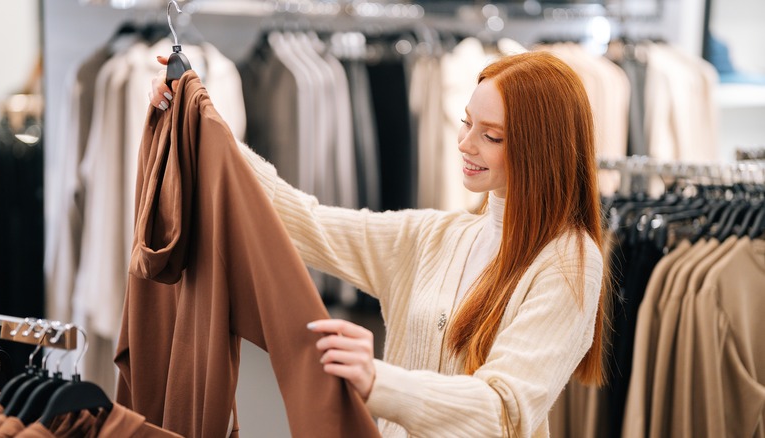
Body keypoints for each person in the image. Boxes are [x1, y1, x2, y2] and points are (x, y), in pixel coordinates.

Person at [149, 50, 609, 437]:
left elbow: (504, 409)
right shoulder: (434, 238)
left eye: (491, 135)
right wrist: (198, 124)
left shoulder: (569, 261)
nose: (465, 144)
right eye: (466, 124)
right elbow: (307, 221)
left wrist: (379, 381)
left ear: (540, 147)